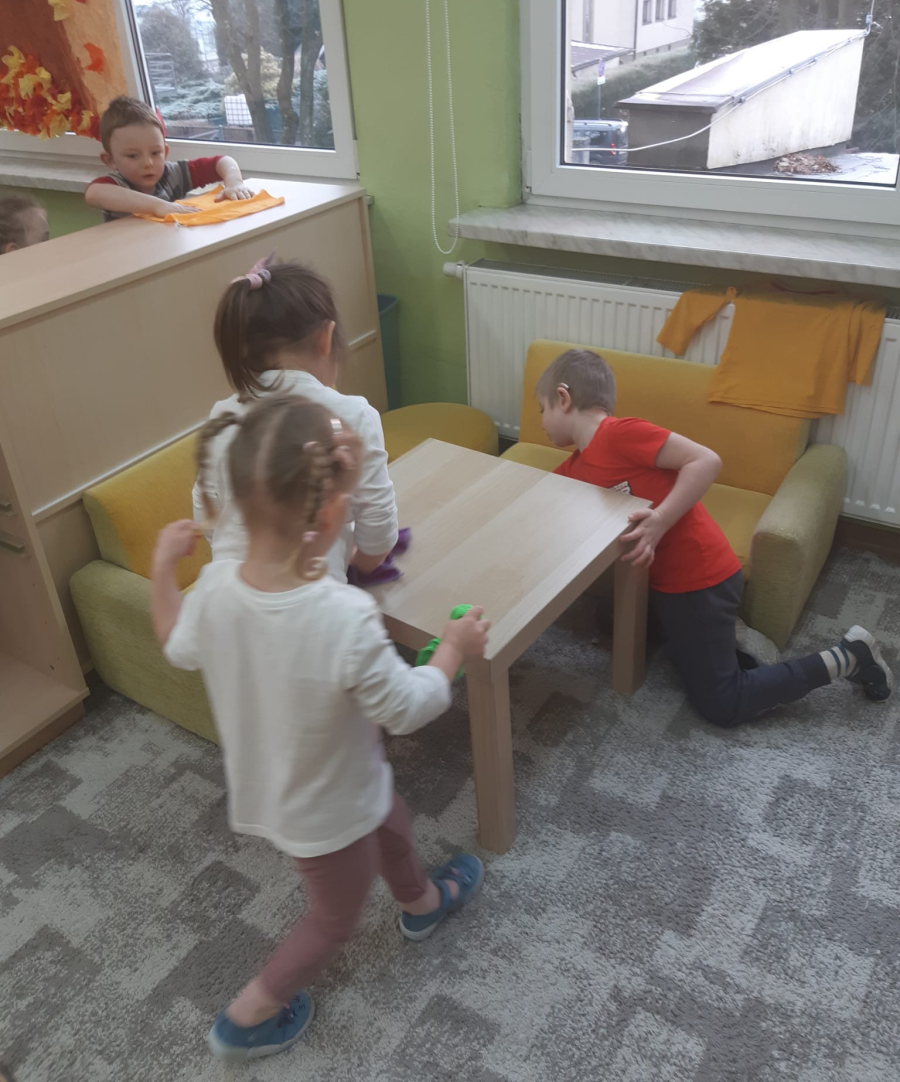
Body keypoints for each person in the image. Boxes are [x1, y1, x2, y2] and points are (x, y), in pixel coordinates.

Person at [153, 396, 489, 1060]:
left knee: (391, 820)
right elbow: (406, 708)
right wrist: (452, 650)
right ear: (335, 515)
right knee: (333, 919)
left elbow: (174, 643)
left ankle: (421, 903)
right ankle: (247, 1015)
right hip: (324, 808)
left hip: (292, 784)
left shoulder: (214, 588)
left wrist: (163, 569)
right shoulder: (345, 616)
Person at [536, 348, 894, 728]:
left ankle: (849, 657)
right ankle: (724, 637)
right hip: (657, 581)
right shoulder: (576, 467)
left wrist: (660, 520)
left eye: (541, 409)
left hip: (700, 580)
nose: (540, 421)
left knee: (723, 703)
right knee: (610, 619)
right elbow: (539, 498)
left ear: (563, 398)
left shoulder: (619, 434)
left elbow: (706, 460)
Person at [194, 254, 399, 581]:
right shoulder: (352, 417)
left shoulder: (223, 416)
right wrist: (360, 564)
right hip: (312, 600)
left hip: (228, 590)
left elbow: (208, 513)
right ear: (325, 339)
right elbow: (378, 535)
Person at [84, 96, 253, 221]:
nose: (148, 163)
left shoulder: (172, 174)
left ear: (165, 151)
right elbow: (93, 194)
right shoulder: (115, 185)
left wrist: (234, 183)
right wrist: (158, 206)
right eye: (133, 156)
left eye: (155, 153)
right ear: (110, 160)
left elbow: (223, 161)